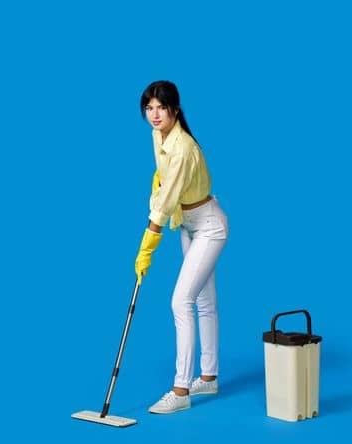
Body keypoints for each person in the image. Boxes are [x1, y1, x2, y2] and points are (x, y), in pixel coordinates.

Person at [133, 81, 229, 414]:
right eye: (149, 108)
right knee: (203, 302)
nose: (154, 114)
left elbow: (166, 201)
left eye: (161, 107)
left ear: (176, 110)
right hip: (188, 225)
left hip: (209, 226)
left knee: (180, 301)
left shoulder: (184, 147)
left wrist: (147, 245)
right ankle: (209, 376)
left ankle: (181, 389)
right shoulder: (158, 135)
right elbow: (166, 182)